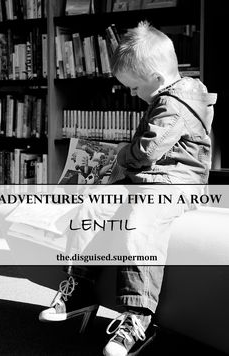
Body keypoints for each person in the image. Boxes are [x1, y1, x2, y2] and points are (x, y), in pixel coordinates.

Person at [39, 22, 217, 356]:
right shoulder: (166, 96)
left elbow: (149, 151)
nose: (133, 95)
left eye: (134, 88)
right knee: (94, 205)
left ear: (157, 79)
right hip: (147, 181)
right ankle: (79, 289)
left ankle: (138, 316)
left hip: (175, 186)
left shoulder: (176, 104)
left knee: (140, 222)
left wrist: (121, 154)